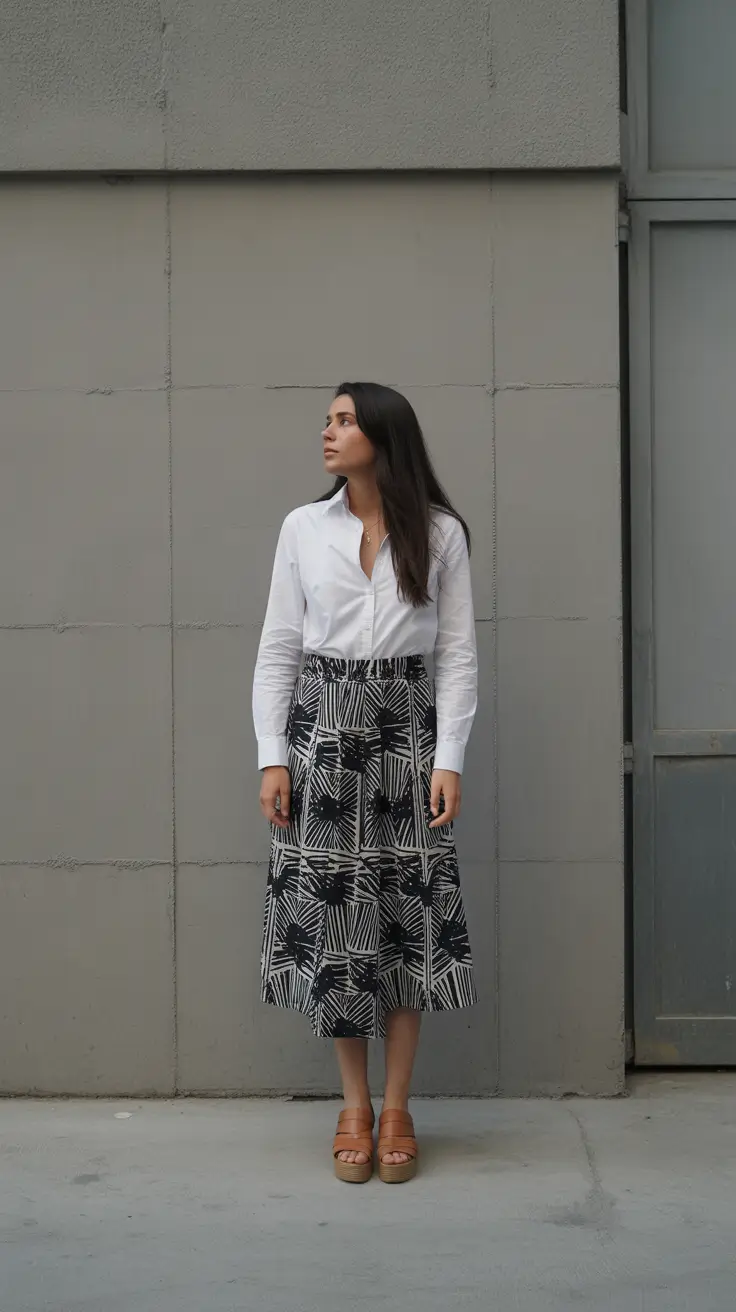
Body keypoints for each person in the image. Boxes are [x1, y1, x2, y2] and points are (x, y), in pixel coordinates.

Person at [252, 381, 478, 1184]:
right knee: (340, 920)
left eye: (345, 421)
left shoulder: (441, 534)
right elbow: (280, 645)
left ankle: (399, 1105)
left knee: (407, 913)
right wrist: (271, 753)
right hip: (323, 729)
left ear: (384, 437)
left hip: (407, 733)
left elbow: (454, 656)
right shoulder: (303, 529)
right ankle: (353, 1105)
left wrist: (448, 756)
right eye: (328, 419)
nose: (329, 432)